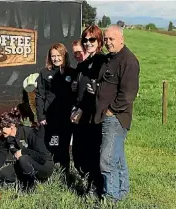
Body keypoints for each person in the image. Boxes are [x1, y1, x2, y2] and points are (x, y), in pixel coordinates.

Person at [94, 25, 140, 201]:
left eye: (111, 39)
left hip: (116, 118)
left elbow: (128, 94)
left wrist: (111, 110)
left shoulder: (128, 61)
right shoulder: (110, 58)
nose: (108, 42)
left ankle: (110, 198)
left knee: (107, 160)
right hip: (107, 116)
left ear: (122, 39)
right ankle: (121, 193)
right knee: (118, 158)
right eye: (106, 39)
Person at [0, 108, 54, 189]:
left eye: (1, 128)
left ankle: (29, 187)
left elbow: (43, 158)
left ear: (12, 126)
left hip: (44, 166)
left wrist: (24, 151)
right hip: (24, 165)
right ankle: (21, 180)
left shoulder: (30, 133)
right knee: (2, 174)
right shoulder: (5, 138)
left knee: (23, 159)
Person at [70, 25, 106, 196]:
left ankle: (95, 187)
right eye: (85, 40)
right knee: (77, 152)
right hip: (79, 115)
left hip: (94, 115)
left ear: (99, 41)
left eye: (92, 39)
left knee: (92, 153)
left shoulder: (103, 62)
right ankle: (87, 179)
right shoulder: (82, 65)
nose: (88, 43)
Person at [36, 43, 74, 174]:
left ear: (64, 56)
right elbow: (40, 96)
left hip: (66, 117)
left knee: (64, 146)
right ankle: (49, 171)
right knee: (53, 144)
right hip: (51, 118)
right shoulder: (44, 73)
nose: (56, 58)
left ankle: (65, 173)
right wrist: (41, 117)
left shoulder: (71, 73)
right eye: (53, 56)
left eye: (59, 55)